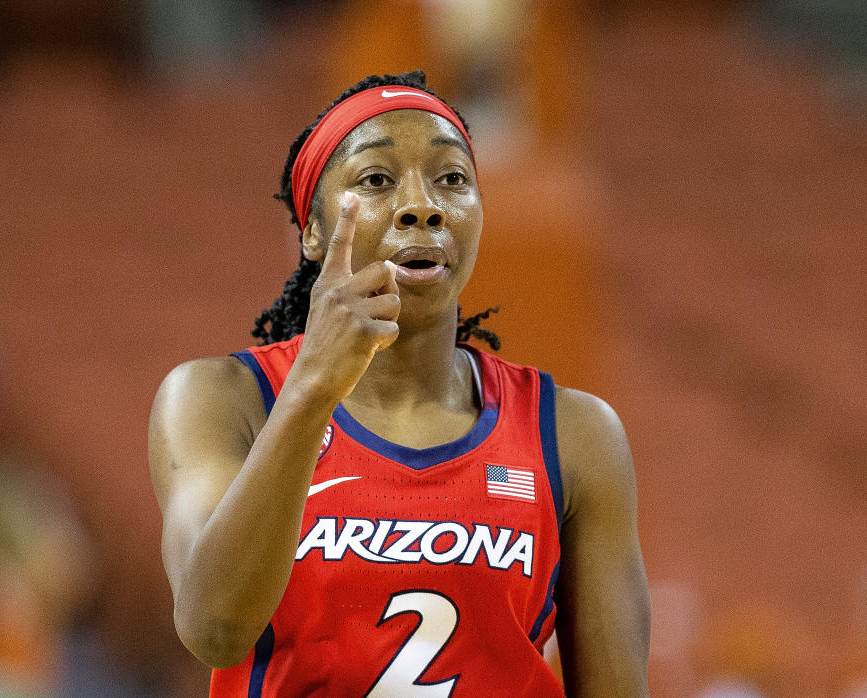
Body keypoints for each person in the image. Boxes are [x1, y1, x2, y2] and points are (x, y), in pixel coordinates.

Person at [149, 70, 649, 696]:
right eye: (377, 180)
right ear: (311, 230)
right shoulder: (220, 399)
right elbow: (214, 629)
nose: (423, 204)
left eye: (452, 179)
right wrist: (312, 390)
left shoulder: (575, 435)